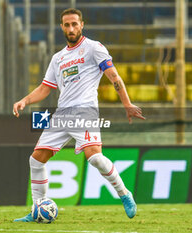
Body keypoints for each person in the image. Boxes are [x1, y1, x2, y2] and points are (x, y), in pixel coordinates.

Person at [13, 8, 145, 222]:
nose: (71, 28)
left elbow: (114, 76)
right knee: (36, 160)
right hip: (62, 114)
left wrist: (127, 104)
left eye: (75, 24)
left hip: (85, 111)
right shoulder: (58, 58)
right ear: (62, 27)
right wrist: (24, 100)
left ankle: (124, 194)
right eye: (67, 25)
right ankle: (37, 209)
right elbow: (46, 88)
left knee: (94, 158)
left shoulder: (94, 48)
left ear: (82, 25)